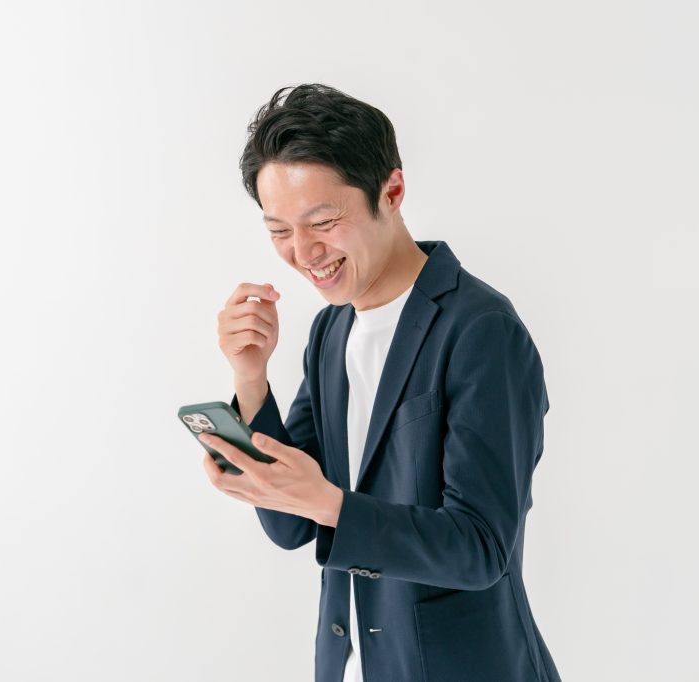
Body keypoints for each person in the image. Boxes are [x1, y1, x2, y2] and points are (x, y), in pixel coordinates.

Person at [199, 83, 562, 682]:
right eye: (279, 231)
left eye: (322, 222)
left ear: (391, 192)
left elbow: (480, 549)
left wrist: (331, 504)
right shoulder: (331, 330)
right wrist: (250, 377)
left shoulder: (481, 331)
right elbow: (292, 525)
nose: (303, 252)